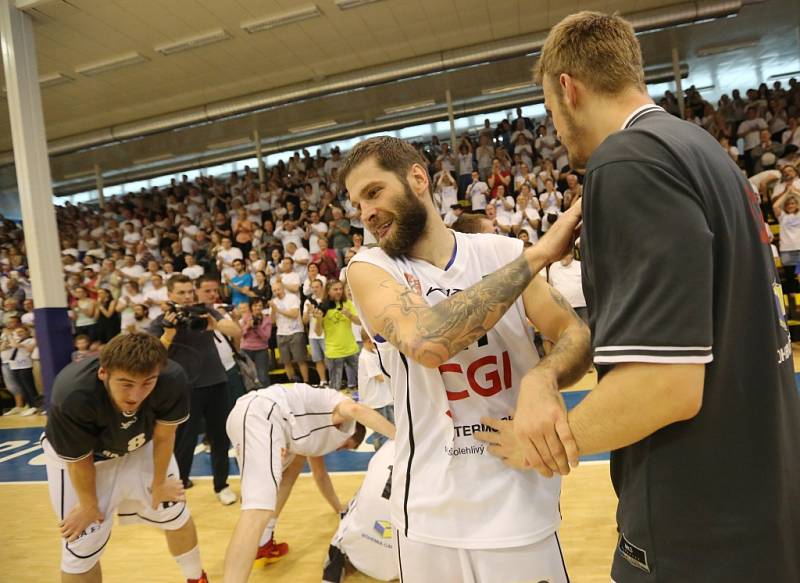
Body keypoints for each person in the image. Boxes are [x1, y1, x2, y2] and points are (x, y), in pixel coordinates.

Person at [480, 11, 800, 582]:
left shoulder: (627, 160)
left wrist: (540, 443)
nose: (555, 128)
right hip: (760, 503)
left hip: (695, 528)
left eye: (551, 113)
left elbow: (664, 386)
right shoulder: (700, 149)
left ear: (568, 89)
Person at [339, 136, 589, 583]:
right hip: (430, 516)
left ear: (417, 179)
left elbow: (574, 333)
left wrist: (543, 378)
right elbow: (428, 343)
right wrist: (538, 255)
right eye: (357, 204)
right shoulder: (370, 268)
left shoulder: (501, 253)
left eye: (373, 192)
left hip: (520, 498)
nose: (365, 212)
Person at [42, 333, 209, 583]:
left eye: (147, 383)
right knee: (80, 543)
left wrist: (160, 482)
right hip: (84, 459)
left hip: (138, 445)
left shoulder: (172, 379)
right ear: (103, 373)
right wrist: (89, 505)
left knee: (174, 512)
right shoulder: (72, 394)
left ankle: (197, 578)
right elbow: (79, 459)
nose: (137, 394)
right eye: (127, 383)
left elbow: (164, 436)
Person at [222, 382, 396, 583]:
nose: (338, 450)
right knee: (256, 511)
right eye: (345, 446)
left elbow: (320, 475)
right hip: (263, 415)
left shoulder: (312, 435)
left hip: (257, 417)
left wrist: (338, 508)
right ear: (348, 431)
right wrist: (400, 437)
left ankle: (264, 541)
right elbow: (356, 409)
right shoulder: (339, 411)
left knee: (288, 475)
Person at [148, 274, 240, 505]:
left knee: (220, 438)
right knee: (184, 442)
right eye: (181, 293)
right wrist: (168, 333)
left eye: (190, 291)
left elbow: (236, 331)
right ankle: (178, 488)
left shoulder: (205, 311)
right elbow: (151, 355)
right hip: (184, 388)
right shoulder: (161, 320)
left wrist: (215, 323)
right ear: (170, 295)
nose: (188, 297)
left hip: (217, 382)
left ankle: (222, 485)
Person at [322, 440, 398, 583]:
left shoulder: (384, 449)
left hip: (357, 555)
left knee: (356, 503)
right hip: (400, 567)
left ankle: (330, 575)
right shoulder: (432, 458)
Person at [312, 280, 361, 392]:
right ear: (328, 291)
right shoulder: (323, 307)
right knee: (335, 386)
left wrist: (349, 315)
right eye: (335, 289)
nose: (339, 292)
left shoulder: (347, 303)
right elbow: (318, 332)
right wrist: (319, 320)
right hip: (334, 352)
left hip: (352, 348)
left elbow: (359, 322)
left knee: (364, 378)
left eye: (340, 289)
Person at [358, 330, 394, 450]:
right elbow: (379, 377)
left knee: (392, 424)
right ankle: (379, 451)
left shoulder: (373, 353)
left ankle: (392, 449)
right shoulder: (366, 358)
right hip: (375, 400)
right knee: (380, 429)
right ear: (369, 341)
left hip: (383, 398)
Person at [269, 280, 310, 383]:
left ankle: (306, 382)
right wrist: (273, 310)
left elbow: (294, 314)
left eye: (278, 289)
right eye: (274, 290)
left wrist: (278, 310)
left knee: (300, 360)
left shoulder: (292, 298)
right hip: (281, 333)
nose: (276, 292)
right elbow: (272, 321)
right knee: (286, 361)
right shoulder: (273, 302)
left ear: (283, 288)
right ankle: (292, 381)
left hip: (295, 332)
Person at [239, 298, 272, 387]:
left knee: (263, 376)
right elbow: (241, 334)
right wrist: (248, 326)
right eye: (255, 305)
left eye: (260, 306)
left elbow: (266, 337)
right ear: (251, 307)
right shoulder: (246, 317)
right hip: (246, 349)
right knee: (247, 376)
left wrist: (257, 327)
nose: (257, 308)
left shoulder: (267, 319)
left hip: (261, 350)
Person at [303, 278, 329, 387]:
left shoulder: (328, 300)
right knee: (318, 359)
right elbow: (304, 321)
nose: (314, 289)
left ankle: (333, 379)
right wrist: (308, 311)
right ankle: (323, 381)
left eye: (317, 287)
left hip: (327, 334)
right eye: (312, 287)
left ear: (322, 287)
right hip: (313, 335)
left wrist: (315, 311)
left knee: (330, 360)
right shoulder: (308, 301)